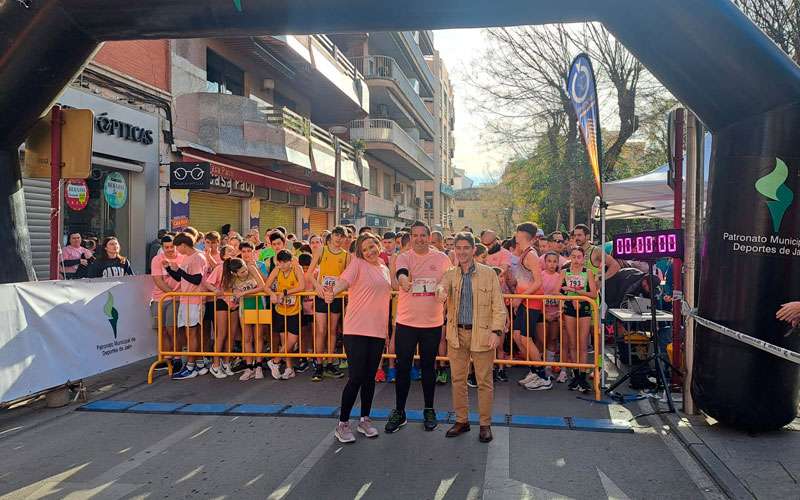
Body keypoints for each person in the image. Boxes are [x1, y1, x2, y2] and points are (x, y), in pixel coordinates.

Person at [437, 232, 506, 443]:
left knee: (484, 382)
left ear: (473, 250)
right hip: (456, 334)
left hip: (482, 334)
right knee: (458, 380)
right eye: (458, 248)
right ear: (454, 250)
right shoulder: (450, 274)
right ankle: (462, 420)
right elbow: (442, 287)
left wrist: (496, 331)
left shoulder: (488, 274)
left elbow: (498, 305)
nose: (462, 252)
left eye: (466, 247)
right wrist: (440, 292)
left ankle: (485, 425)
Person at [325, 233, 394, 443]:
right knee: (355, 378)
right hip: (356, 330)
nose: (370, 251)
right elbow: (342, 282)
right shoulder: (357, 264)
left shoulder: (383, 267)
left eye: (372, 246)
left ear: (378, 245)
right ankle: (343, 424)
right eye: (365, 249)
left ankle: (365, 420)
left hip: (377, 331)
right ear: (360, 253)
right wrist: (332, 292)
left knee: (369, 378)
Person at [385, 220, 452, 434]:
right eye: (416, 235)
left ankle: (429, 409)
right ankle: (399, 411)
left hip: (432, 323)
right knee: (403, 368)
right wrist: (404, 281)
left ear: (429, 236)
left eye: (424, 235)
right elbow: (401, 273)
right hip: (406, 322)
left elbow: (446, 281)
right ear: (411, 237)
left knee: (428, 368)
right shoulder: (404, 256)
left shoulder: (441, 258)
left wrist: (443, 290)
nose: (420, 239)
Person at [306, 225, 350, 381]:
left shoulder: (346, 256)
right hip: (321, 296)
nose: (339, 239)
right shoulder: (321, 250)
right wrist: (317, 287)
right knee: (320, 330)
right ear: (331, 236)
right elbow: (309, 273)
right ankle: (318, 364)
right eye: (337, 235)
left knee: (332, 331)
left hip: (336, 296)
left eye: (342, 236)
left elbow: (347, 278)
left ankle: (330, 363)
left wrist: (338, 290)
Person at [510, 222, 551, 391]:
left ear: (522, 234)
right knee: (517, 337)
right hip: (524, 300)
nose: (515, 236)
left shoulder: (531, 255)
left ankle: (543, 376)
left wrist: (520, 297)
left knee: (526, 338)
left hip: (531, 302)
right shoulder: (524, 252)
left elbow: (538, 282)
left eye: (517, 233)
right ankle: (534, 370)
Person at [168, 233, 208, 379]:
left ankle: (191, 366)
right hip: (186, 299)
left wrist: (178, 270)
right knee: (189, 332)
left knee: (192, 333)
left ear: (183, 245)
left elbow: (197, 279)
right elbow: (182, 278)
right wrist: (170, 270)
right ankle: (199, 363)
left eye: (177, 246)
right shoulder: (188, 257)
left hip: (195, 300)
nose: (176, 250)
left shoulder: (198, 257)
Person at [220, 257, 266, 381]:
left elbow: (262, 286)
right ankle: (249, 367)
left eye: (245, 270)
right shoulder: (232, 278)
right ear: (234, 273)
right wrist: (234, 293)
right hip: (244, 308)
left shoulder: (251, 268)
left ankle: (259, 366)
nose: (245, 272)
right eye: (242, 272)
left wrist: (244, 293)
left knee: (259, 337)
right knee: (247, 338)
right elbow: (227, 290)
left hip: (259, 305)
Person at [561, 247, 598, 392]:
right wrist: (566, 296)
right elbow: (557, 290)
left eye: (579, 257)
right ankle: (575, 375)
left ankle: (582, 376)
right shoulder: (564, 272)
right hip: (569, 307)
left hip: (584, 308)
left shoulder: (587, 272)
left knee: (583, 344)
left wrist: (577, 292)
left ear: (583, 259)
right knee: (572, 342)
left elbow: (594, 294)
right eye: (574, 257)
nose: (576, 260)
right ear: (570, 257)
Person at [265, 249, 306, 380]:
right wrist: (272, 294)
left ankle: (275, 361)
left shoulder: (296, 268)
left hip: (294, 309)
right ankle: (289, 368)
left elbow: (302, 286)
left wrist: (285, 292)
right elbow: (266, 286)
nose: (282, 265)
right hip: (281, 309)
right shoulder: (277, 270)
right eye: (279, 262)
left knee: (292, 340)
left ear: (290, 261)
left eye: (284, 262)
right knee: (284, 341)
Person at [150, 234, 183, 370]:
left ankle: (177, 357)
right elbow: (158, 280)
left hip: (176, 298)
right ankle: (166, 357)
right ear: (162, 248)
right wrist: (171, 293)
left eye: (172, 247)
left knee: (172, 328)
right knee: (161, 329)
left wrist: (174, 295)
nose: (169, 249)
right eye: (166, 247)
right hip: (160, 298)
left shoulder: (182, 257)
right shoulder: (157, 259)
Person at [540, 252, 566, 383]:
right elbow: (537, 294)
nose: (552, 264)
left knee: (553, 339)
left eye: (554, 261)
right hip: (542, 313)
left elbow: (563, 295)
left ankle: (549, 367)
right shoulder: (540, 276)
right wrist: (544, 313)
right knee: (541, 340)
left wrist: (558, 312)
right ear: (545, 262)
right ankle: (538, 367)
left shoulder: (560, 276)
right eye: (549, 261)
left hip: (556, 314)